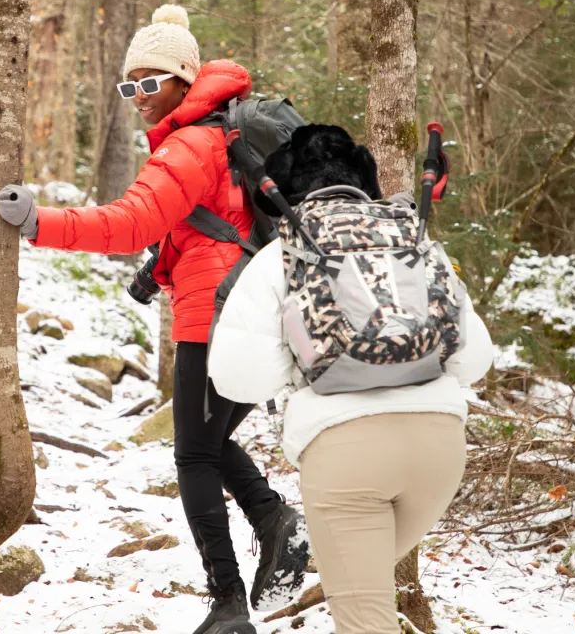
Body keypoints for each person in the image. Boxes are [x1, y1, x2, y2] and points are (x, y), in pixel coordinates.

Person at [0, 4, 310, 634]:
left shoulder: (188, 143)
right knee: (212, 442)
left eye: (149, 82)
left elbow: (129, 221)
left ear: (184, 81)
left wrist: (39, 223)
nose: (137, 96)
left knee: (193, 456)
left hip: (214, 319)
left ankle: (228, 604)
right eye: (127, 85)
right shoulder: (217, 135)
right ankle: (276, 522)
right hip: (254, 314)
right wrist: (157, 270)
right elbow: (213, 225)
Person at [207, 125, 494, 634]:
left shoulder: (285, 254)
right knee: (368, 600)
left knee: (365, 622)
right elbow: (475, 359)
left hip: (346, 457)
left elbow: (237, 379)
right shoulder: (416, 240)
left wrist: (304, 358)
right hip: (440, 452)